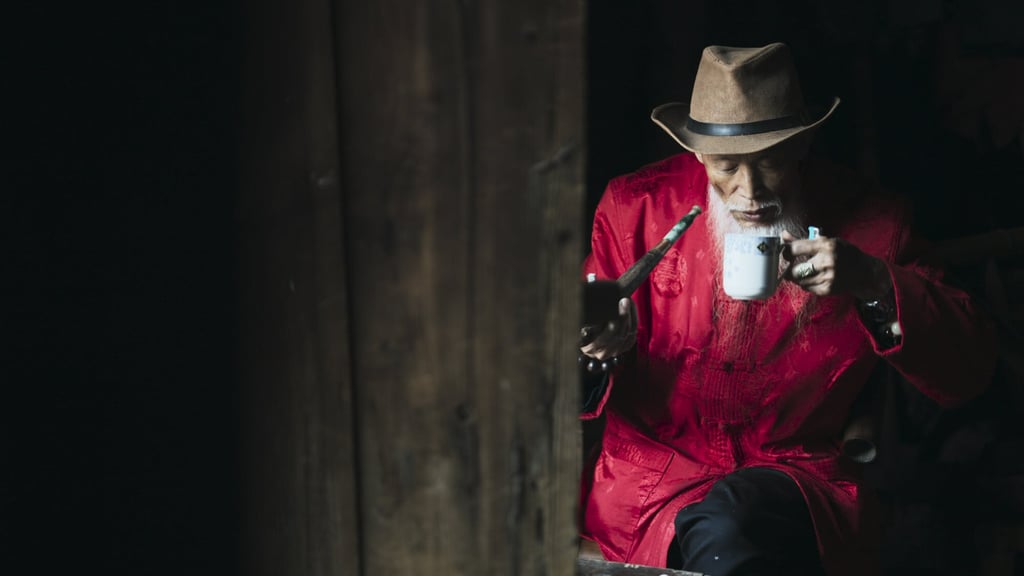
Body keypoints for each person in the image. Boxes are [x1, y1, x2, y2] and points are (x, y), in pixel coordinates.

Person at [577, 43, 998, 576]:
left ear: (804, 144)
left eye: (770, 161)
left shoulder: (874, 222)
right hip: (650, 485)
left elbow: (969, 368)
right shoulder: (635, 207)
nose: (750, 191)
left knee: (733, 522)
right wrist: (596, 350)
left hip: (794, 474)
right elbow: (559, 368)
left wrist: (872, 280)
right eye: (727, 166)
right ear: (699, 154)